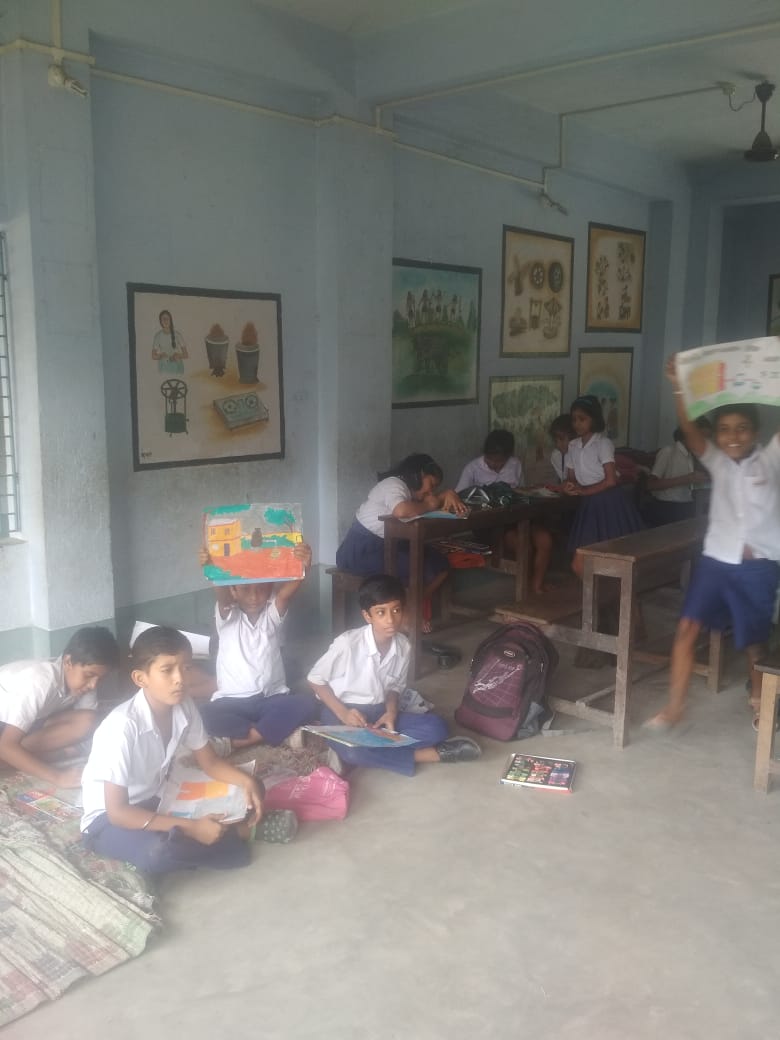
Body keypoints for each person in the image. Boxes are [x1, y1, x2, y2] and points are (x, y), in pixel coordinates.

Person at [647, 358, 780, 731]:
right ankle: (675, 708)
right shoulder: (717, 462)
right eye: (724, 430)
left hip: (758, 568)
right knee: (687, 628)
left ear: (755, 432)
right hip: (715, 563)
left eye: (741, 429)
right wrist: (678, 385)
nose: (732, 437)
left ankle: (760, 701)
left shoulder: (772, 458)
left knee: (754, 641)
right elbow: (690, 429)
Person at [80, 627, 267, 873]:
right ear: (141, 678)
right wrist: (192, 827)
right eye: (167, 670)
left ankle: (210, 832)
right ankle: (239, 831)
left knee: (252, 788)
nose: (180, 678)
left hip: (157, 800)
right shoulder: (122, 728)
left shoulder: (184, 705)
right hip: (108, 820)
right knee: (158, 853)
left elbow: (210, 763)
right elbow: (118, 812)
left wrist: (246, 781)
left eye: (186, 667)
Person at [307, 574, 481, 775]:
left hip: (378, 711)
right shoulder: (348, 644)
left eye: (396, 610)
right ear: (367, 616)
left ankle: (370, 750)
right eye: (381, 612)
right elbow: (315, 679)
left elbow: (394, 687)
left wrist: (391, 712)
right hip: (341, 709)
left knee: (437, 727)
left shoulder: (403, 646)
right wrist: (344, 714)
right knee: (352, 753)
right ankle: (432, 755)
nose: (390, 620)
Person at [197, 541, 319, 748]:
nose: (254, 597)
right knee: (203, 715)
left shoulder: (271, 617)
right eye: (245, 590)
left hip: (271, 698)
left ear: (270, 590)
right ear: (233, 591)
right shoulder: (227, 617)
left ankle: (240, 740)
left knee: (307, 703)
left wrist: (303, 568)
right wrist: (211, 569)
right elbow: (222, 596)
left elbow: (285, 595)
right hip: (232, 700)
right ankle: (275, 730)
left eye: (261, 589)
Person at [336, 453, 467, 632]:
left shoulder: (410, 492)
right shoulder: (393, 484)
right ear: (419, 475)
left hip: (388, 545)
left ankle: (411, 607)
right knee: (418, 567)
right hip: (360, 552)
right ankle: (406, 615)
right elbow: (401, 511)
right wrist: (430, 505)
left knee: (440, 563)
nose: (430, 492)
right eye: (431, 485)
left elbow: (421, 505)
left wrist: (447, 494)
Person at [0, 627, 119, 788]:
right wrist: (58, 777)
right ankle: (13, 758)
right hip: (5, 728)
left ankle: (15, 758)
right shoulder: (40, 681)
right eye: (89, 675)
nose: (93, 685)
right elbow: (6, 744)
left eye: (100, 678)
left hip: (26, 725)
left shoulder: (86, 683)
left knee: (88, 720)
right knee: (8, 750)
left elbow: (89, 723)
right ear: (68, 662)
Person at [455, 429, 554, 594]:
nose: (494, 464)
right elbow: (458, 497)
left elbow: (521, 491)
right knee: (523, 545)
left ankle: (537, 584)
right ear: (484, 454)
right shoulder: (472, 468)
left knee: (545, 540)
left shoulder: (515, 464)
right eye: (490, 460)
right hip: (490, 525)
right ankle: (526, 587)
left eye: (500, 461)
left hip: (517, 518)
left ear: (508, 456)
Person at [562, 395, 644, 579]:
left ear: (594, 419)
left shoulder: (602, 443)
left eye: (582, 419)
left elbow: (610, 480)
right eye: (574, 420)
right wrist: (568, 486)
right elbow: (571, 478)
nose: (577, 424)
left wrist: (584, 491)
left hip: (610, 503)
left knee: (616, 559)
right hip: (589, 505)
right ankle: (597, 594)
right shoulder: (573, 446)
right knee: (582, 564)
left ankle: (613, 594)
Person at [641, 419, 712, 528]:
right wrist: (687, 479)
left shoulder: (690, 455)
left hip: (686, 506)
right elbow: (651, 485)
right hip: (667, 508)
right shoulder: (668, 451)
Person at [152, 309, 188, 374]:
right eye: (163, 319)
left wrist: (178, 355)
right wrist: (161, 355)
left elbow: (186, 355)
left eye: (167, 319)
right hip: (164, 366)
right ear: (160, 321)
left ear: (170, 320)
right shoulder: (158, 336)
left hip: (177, 366)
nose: (165, 321)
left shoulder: (177, 335)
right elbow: (153, 356)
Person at [549, 413, 575, 484]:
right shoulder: (556, 456)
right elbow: (567, 483)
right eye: (555, 440)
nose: (558, 445)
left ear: (573, 437)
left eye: (562, 439)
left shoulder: (585, 454)